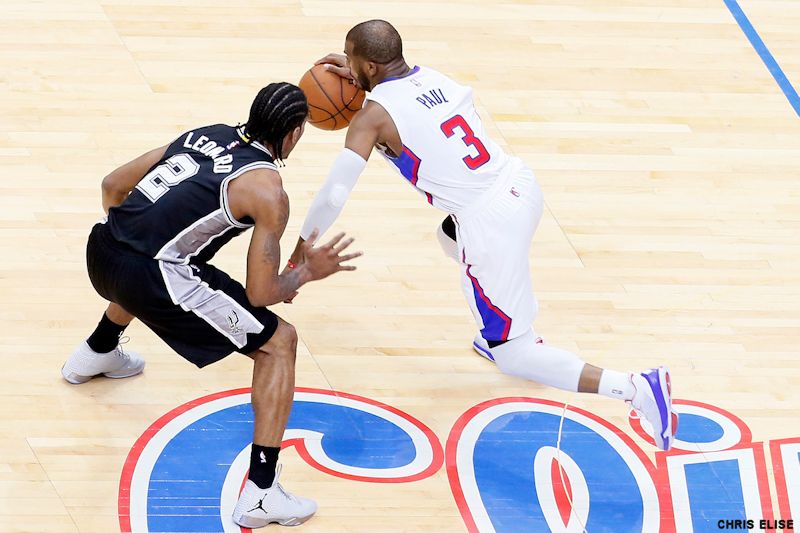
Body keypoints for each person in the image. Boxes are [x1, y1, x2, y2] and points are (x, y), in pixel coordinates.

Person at [287, 20, 678, 451]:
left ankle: (636, 387)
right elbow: (398, 97)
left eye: (351, 58)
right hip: (518, 183)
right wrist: (360, 72)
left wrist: (302, 246)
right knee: (449, 237)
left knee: (515, 354)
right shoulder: (431, 77)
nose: (346, 65)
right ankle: (506, 323)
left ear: (370, 66)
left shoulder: (371, 118)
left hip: (490, 221)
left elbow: (335, 193)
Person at [61, 82, 361, 528]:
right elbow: (260, 293)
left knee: (160, 253)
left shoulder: (205, 133)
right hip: (155, 279)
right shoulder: (268, 191)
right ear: (295, 133)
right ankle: (261, 495)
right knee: (279, 343)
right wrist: (305, 272)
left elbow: (112, 185)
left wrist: (130, 239)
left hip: (101, 250)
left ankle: (97, 350)